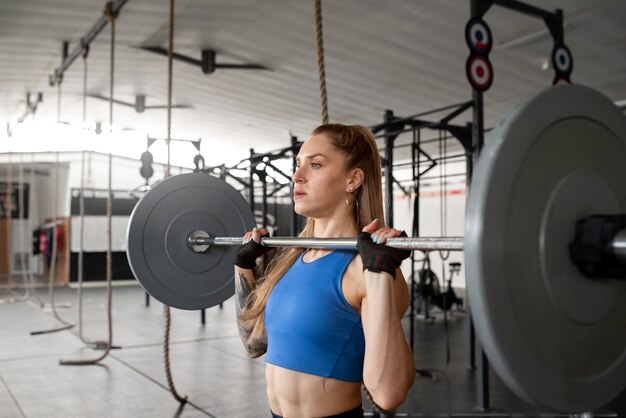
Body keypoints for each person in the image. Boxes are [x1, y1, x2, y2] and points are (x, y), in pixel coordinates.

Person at [234, 124, 415, 418]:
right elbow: (254, 345)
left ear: (353, 179)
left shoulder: (363, 268)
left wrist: (380, 273)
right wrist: (242, 267)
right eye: (298, 164)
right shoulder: (291, 260)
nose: (297, 176)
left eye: (315, 164)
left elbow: (388, 394)